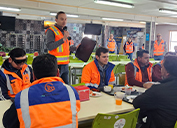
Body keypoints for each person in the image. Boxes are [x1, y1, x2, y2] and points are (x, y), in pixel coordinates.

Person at [3, 54, 80, 128]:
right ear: (58, 73)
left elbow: (7, 123)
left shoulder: (22, 97)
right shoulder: (71, 92)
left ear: (33, 75)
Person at [133, 55, 177, 128]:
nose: (161, 69)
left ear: (167, 72)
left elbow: (136, 103)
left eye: (162, 67)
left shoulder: (158, 90)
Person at [46, 11, 75, 84]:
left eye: (65, 19)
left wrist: (75, 48)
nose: (64, 21)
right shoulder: (51, 30)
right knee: (55, 86)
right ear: (56, 20)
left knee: (66, 86)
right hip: (55, 64)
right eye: (62, 19)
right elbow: (50, 47)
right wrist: (63, 39)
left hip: (65, 64)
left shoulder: (64, 31)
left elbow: (65, 48)